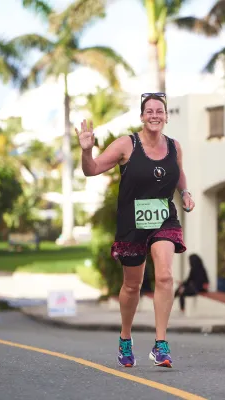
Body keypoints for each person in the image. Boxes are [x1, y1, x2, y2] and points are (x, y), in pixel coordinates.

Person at [77, 92, 195, 369]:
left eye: (160, 111)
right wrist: (86, 150)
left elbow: (178, 172)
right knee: (133, 285)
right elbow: (91, 169)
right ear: (142, 117)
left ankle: (160, 344)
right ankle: (125, 338)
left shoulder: (174, 146)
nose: (155, 115)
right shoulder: (126, 145)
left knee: (165, 276)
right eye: (149, 111)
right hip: (132, 224)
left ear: (166, 117)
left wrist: (185, 192)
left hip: (164, 219)